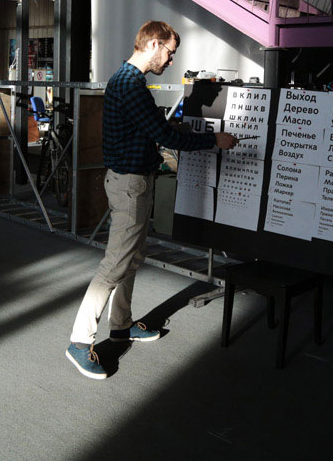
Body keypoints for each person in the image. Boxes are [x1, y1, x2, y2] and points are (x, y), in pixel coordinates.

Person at [66, 21, 238, 379]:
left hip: (132, 183)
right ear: (154, 44)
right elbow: (164, 136)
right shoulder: (132, 85)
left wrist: (174, 130)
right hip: (130, 186)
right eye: (170, 52)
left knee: (131, 258)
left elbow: (148, 130)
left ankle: (121, 325)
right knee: (115, 264)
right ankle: (80, 342)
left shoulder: (127, 80)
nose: (171, 60)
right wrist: (213, 140)